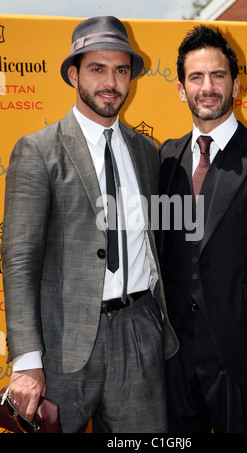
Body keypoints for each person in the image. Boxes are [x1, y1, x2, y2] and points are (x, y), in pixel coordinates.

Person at [1, 16, 178, 433]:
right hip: (62, 345)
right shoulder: (38, 150)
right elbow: (20, 260)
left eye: (120, 70)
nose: (110, 82)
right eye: (97, 69)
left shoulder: (147, 152)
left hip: (139, 335)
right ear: (73, 73)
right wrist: (27, 360)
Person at [158, 25, 247, 433]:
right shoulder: (166, 157)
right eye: (196, 77)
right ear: (181, 90)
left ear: (237, 85)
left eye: (218, 76)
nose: (207, 87)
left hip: (244, 355)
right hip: (175, 356)